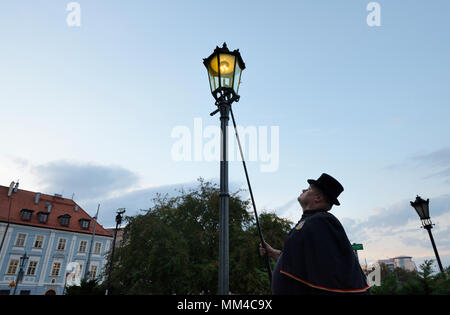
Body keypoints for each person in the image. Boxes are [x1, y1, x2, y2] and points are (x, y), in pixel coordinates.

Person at [260, 173, 370, 295]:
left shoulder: (322, 221)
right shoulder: (312, 221)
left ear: (318, 198)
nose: (303, 190)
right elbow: (308, 262)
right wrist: (274, 253)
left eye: (308, 189)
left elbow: (331, 273)